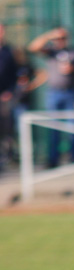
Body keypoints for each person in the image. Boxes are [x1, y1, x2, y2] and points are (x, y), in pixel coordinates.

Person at [27, 26, 74, 168]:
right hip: (54, 93)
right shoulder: (51, 52)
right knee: (53, 128)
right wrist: (50, 35)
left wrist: (73, 69)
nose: (60, 41)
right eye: (58, 38)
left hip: (70, 92)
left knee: (72, 128)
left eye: (63, 38)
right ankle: (53, 160)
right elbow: (33, 47)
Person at [0, 24, 19, 168]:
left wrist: (10, 91)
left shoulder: (8, 52)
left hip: (4, 98)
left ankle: (7, 157)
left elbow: (14, 75)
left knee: (6, 128)